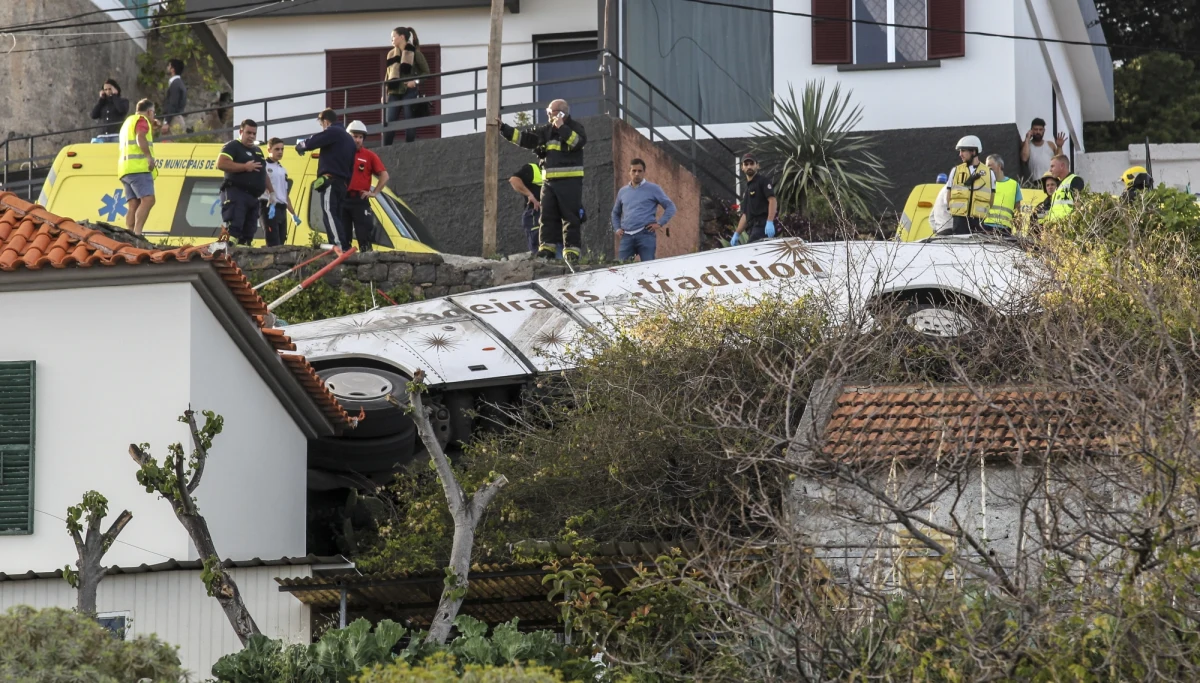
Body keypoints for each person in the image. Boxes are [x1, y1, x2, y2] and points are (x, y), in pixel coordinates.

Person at [497, 99, 588, 263]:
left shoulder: (575, 128)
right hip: (549, 183)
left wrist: (561, 126)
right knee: (546, 217)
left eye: (550, 112)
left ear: (561, 113)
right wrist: (504, 128)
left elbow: (577, 143)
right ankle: (546, 248)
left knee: (570, 217)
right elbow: (524, 138)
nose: (547, 114)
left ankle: (571, 252)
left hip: (569, 182)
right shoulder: (545, 131)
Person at [295, 108, 356, 252]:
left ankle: (339, 245)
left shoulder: (332, 131)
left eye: (322, 124)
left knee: (329, 212)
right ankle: (342, 243)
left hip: (331, 180)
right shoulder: (349, 139)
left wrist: (300, 146)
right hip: (343, 183)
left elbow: (312, 142)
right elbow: (351, 166)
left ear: (325, 121)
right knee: (338, 215)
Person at [216, 120, 270, 246]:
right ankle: (224, 254)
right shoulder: (232, 146)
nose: (251, 136)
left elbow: (263, 173)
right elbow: (221, 163)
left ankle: (241, 260)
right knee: (234, 229)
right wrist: (245, 167)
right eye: (248, 133)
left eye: (254, 133)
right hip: (236, 192)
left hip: (253, 197)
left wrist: (271, 191)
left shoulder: (257, 150)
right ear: (241, 132)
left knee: (248, 234)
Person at [611, 158, 676, 262]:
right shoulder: (623, 191)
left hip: (645, 235)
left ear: (644, 172)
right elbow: (615, 213)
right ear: (629, 172)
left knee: (648, 267)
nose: (636, 174)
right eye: (634, 171)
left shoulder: (654, 189)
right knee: (622, 269)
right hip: (626, 236)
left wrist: (659, 223)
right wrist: (617, 228)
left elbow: (671, 207)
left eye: (640, 171)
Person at [344, 120, 390, 252]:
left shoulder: (369, 156)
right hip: (343, 199)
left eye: (360, 137)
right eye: (354, 136)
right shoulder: (342, 154)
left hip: (360, 200)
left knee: (364, 238)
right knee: (343, 241)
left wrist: (374, 192)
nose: (357, 140)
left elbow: (385, 175)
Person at [117, 98, 158, 236]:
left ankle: (129, 233)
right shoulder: (142, 120)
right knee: (148, 200)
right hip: (138, 168)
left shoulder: (128, 122)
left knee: (133, 204)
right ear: (149, 112)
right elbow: (140, 137)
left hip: (125, 169)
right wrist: (148, 157)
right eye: (154, 114)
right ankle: (138, 233)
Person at [383, 27, 430, 145]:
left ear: (402, 37)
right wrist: (384, 93)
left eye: (393, 36)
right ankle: (386, 148)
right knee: (389, 122)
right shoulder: (390, 54)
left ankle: (410, 147)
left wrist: (415, 82)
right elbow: (387, 75)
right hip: (393, 92)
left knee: (409, 121)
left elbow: (426, 72)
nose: (391, 39)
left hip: (409, 91)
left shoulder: (415, 53)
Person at [945, 135, 994, 234]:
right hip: (959, 222)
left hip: (979, 222)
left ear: (973, 151)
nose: (960, 154)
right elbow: (948, 196)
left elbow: (991, 200)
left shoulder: (989, 173)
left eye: (963, 151)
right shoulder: (955, 171)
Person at [731, 154, 777, 245]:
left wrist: (770, 221)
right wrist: (737, 233)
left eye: (752, 163)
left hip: (763, 226)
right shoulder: (747, 190)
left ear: (757, 166)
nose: (749, 166)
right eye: (746, 164)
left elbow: (772, 200)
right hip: (752, 228)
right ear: (742, 167)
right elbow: (745, 214)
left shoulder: (763, 181)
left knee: (750, 252)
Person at [260, 137, 298, 247]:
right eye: (277, 149)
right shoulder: (264, 166)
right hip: (268, 206)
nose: (280, 152)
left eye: (282, 149)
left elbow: (284, 194)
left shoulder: (283, 170)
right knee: (273, 242)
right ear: (269, 150)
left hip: (281, 209)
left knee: (281, 242)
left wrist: (293, 214)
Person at [509, 160, 544, 255]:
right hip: (536, 213)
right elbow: (514, 180)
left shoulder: (556, 172)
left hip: (553, 214)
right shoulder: (533, 168)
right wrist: (530, 195)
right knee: (539, 247)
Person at [983, 154, 1022, 235]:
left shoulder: (1013, 185)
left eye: (990, 166)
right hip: (985, 227)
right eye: (986, 166)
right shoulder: (984, 184)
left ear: (999, 166)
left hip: (1005, 229)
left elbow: (1017, 211)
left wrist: (1019, 232)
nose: (987, 169)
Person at [1046, 154, 1085, 223]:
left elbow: (1079, 205)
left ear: (1062, 166)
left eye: (1052, 166)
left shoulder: (1075, 180)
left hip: (1067, 228)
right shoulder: (1059, 185)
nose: (1050, 170)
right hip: (1056, 229)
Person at [162, 59, 188, 136]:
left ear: (173, 69)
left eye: (169, 66)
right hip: (176, 118)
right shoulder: (179, 83)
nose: (167, 67)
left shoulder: (175, 84)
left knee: (167, 144)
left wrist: (166, 122)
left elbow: (173, 103)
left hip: (174, 119)